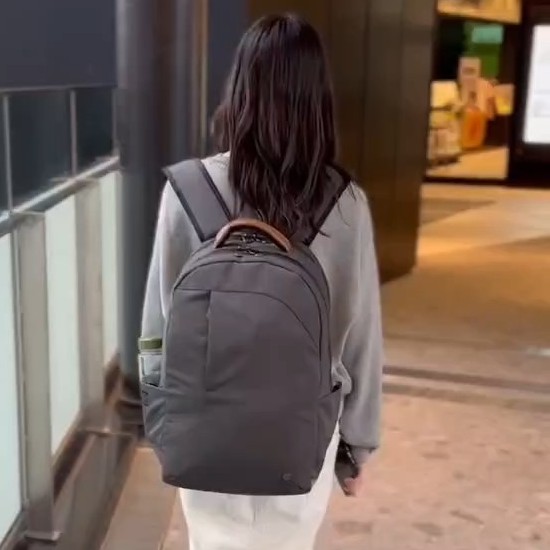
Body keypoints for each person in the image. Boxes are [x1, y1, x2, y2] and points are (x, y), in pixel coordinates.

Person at [141, 13, 383, 550]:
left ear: (240, 90)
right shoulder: (345, 204)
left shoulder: (188, 190)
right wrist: (357, 447)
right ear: (319, 99)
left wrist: (161, 419)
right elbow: (361, 340)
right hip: (301, 433)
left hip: (204, 424)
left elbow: (158, 327)